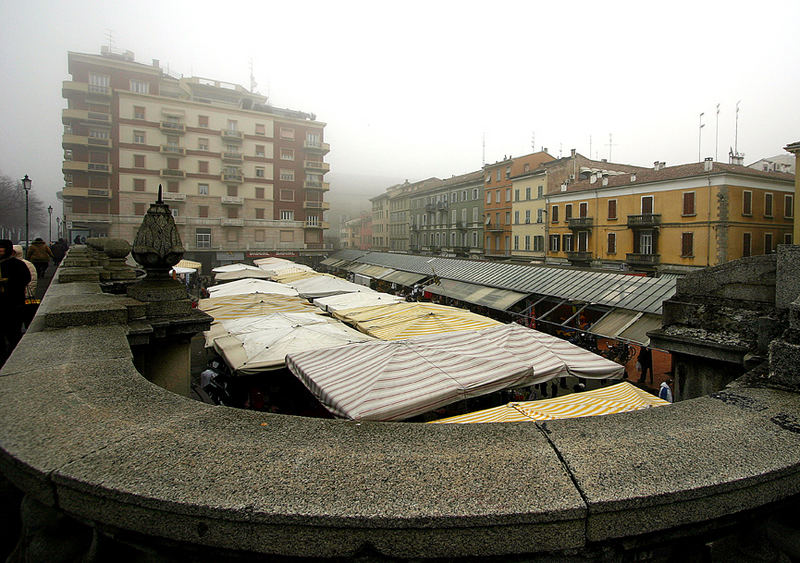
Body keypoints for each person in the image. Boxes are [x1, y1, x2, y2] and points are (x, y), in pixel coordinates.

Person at [0, 239, 32, 366]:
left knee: (13, 332)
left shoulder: (17, 265)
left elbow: (26, 279)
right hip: (6, 305)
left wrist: (9, 284)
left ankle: (14, 358)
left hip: (13, 304)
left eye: (2, 248)